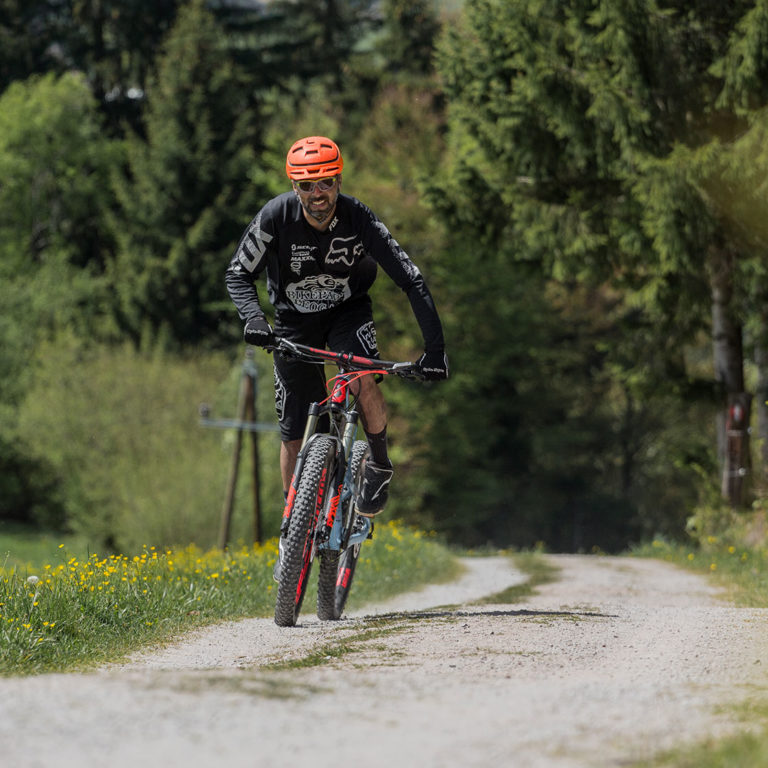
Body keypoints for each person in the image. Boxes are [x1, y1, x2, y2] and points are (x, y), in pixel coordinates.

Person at [225, 135, 448, 525]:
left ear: (339, 181)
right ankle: (293, 528)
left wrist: (434, 351)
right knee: (295, 431)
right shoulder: (275, 216)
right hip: (293, 320)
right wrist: (254, 318)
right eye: (307, 185)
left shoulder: (359, 218)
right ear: (294, 186)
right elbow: (238, 273)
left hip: (349, 312)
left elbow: (411, 279)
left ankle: (378, 465)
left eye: (325, 182)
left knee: (362, 379)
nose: (317, 193)